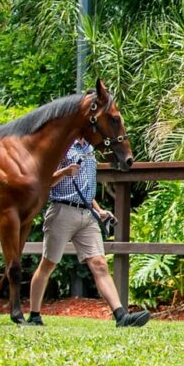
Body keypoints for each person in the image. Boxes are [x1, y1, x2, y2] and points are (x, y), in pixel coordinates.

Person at [25, 136, 150, 328]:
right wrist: (65, 172)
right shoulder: (62, 146)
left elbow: (85, 189)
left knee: (99, 263)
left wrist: (99, 211)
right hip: (62, 210)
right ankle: (34, 316)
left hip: (87, 213)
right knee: (48, 264)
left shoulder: (91, 149)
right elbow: (44, 181)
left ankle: (121, 316)